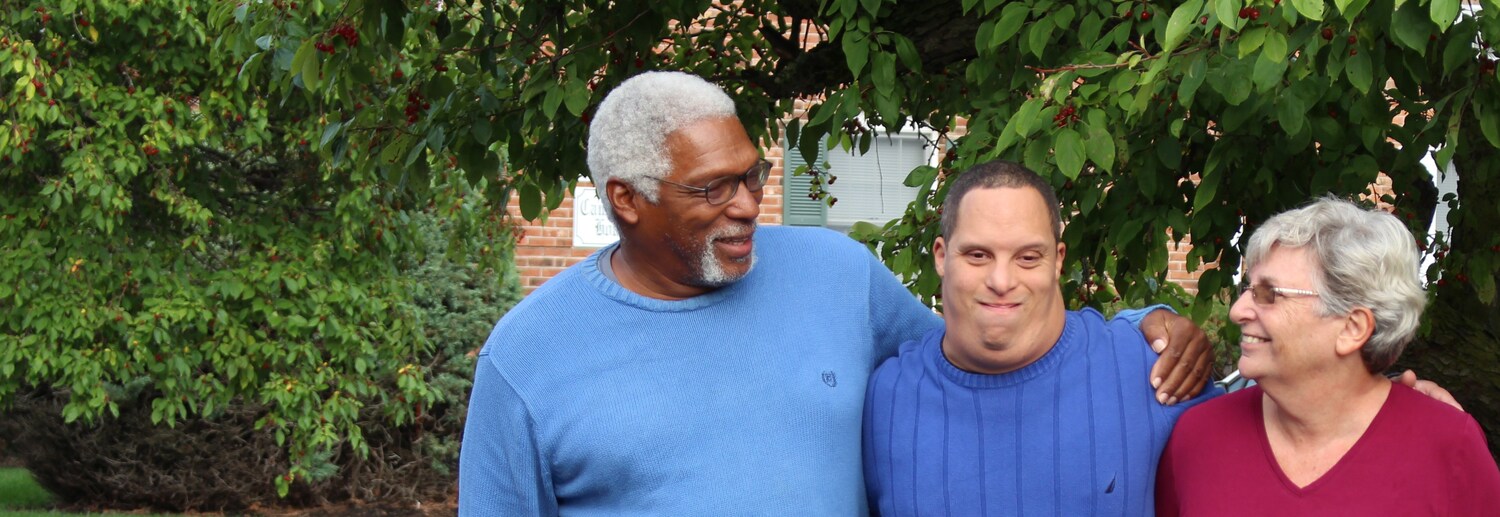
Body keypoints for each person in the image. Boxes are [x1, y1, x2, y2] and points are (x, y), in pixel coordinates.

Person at [457, 72, 1213, 515]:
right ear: (626, 199)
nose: (750, 203)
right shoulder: (527, 359)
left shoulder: (835, 274)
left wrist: (1142, 328)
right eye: (712, 188)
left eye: (751, 174)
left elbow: (984, 343)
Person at [862, 160, 1224, 517]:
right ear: (941, 257)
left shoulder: (1149, 368)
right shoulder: (883, 397)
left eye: (1028, 257)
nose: (1001, 281)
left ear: (1057, 260)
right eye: (977, 255)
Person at [1155, 198, 1500, 515]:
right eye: (1248, 289)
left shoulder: (1449, 447)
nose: (1238, 311)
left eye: (1268, 294)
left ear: (1352, 328)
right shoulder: (1199, 437)